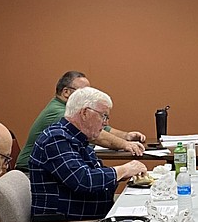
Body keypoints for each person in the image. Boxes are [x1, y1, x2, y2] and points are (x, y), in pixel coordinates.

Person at [29, 86, 149, 222]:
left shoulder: (78, 139)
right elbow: (84, 180)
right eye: (103, 116)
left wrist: (121, 176)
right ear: (85, 113)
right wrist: (124, 170)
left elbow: (91, 175)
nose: (106, 122)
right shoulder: (56, 139)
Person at [15, 71, 147, 172]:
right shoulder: (61, 112)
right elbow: (98, 137)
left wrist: (126, 135)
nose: (88, 95)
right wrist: (125, 145)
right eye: (83, 91)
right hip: (30, 172)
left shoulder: (70, 110)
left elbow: (103, 129)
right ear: (66, 92)